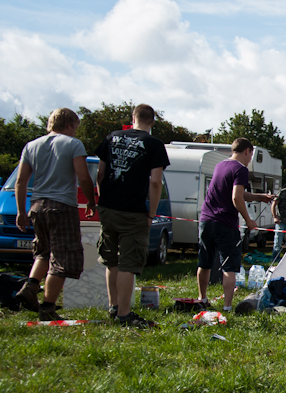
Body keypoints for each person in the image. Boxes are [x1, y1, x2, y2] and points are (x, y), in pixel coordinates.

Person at [13, 108, 96, 320]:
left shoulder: (31, 146)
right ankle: (48, 308)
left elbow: (21, 181)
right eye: (75, 128)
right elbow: (84, 178)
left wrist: (22, 212)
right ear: (69, 124)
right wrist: (91, 200)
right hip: (62, 207)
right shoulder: (72, 144)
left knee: (43, 252)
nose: (76, 132)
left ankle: (30, 287)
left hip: (37, 206)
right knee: (62, 258)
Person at [95, 104, 170, 327]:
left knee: (111, 259)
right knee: (128, 262)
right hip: (133, 211)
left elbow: (100, 172)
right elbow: (155, 182)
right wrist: (151, 214)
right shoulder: (154, 144)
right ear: (152, 122)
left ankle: (114, 305)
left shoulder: (112, 137)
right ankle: (124, 314)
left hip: (108, 207)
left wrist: (103, 199)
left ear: (132, 117)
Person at [196, 138, 274, 311]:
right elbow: (236, 197)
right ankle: (227, 307)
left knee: (204, 262)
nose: (250, 159)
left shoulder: (220, 166)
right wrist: (248, 220)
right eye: (251, 155)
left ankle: (202, 299)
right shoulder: (241, 169)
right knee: (229, 267)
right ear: (247, 151)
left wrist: (259, 197)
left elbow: (238, 193)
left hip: (206, 220)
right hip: (225, 223)